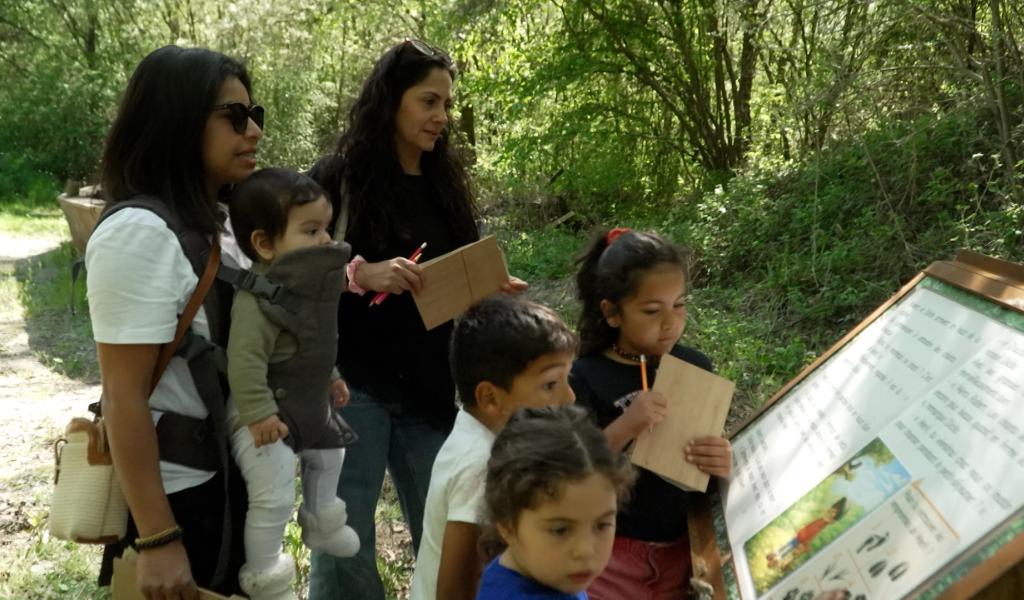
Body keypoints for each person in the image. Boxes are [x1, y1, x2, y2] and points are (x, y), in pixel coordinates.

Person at [307, 38, 526, 599]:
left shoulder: (444, 186)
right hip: (349, 384)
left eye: (446, 104)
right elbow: (290, 268)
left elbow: (454, 282)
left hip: (430, 387)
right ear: (391, 101)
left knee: (454, 537)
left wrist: (487, 292)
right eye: (429, 101)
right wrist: (362, 273)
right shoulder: (338, 179)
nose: (441, 117)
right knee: (344, 543)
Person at [86, 45, 263, 597]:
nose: (254, 130)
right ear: (178, 120)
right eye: (235, 116)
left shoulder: (220, 221)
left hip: (226, 483)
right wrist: (159, 537)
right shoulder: (138, 233)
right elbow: (123, 394)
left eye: (255, 114)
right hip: (177, 497)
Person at [568, 228, 733, 599]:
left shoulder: (695, 367)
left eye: (679, 304)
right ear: (612, 312)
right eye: (652, 311)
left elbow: (704, 466)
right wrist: (627, 425)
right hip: (609, 560)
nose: (671, 321)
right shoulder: (583, 377)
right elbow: (574, 469)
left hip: (685, 552)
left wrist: (722, 462)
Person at [225, 168, 361, 599]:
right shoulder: (261, 297)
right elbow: (245, 360)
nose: (325, 240)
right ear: (265, 243)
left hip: (307, 404)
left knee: (332, 451)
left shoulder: (309, 291)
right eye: (311, 230)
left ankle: (322, 520)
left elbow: (312, 344)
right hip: (262, 415)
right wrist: (258, 414)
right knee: (275, 491)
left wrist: (331, 377)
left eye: (326, 228)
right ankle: (265, 574)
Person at [410, 296, 578, 600]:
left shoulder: (481, 433)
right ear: (489, 398)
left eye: (568, 378)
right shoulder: (480, 465)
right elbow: (454, 591)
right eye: (551, 384)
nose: (569, 398)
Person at [476, 405, 637, 599]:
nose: (586, 550)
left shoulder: (524, 571)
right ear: (507, 525)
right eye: (561, 530)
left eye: (602, 525)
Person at [766, 498, 848, 569]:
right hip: (805, 535)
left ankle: (779, 558)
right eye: (832, 511)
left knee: (793, 548)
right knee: (792, 546)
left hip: (806, 535)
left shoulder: (826, 521)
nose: (832, 513)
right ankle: (777, 557)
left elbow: (817, 528)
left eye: (834, 512)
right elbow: (814, 526)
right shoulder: (824, 519)